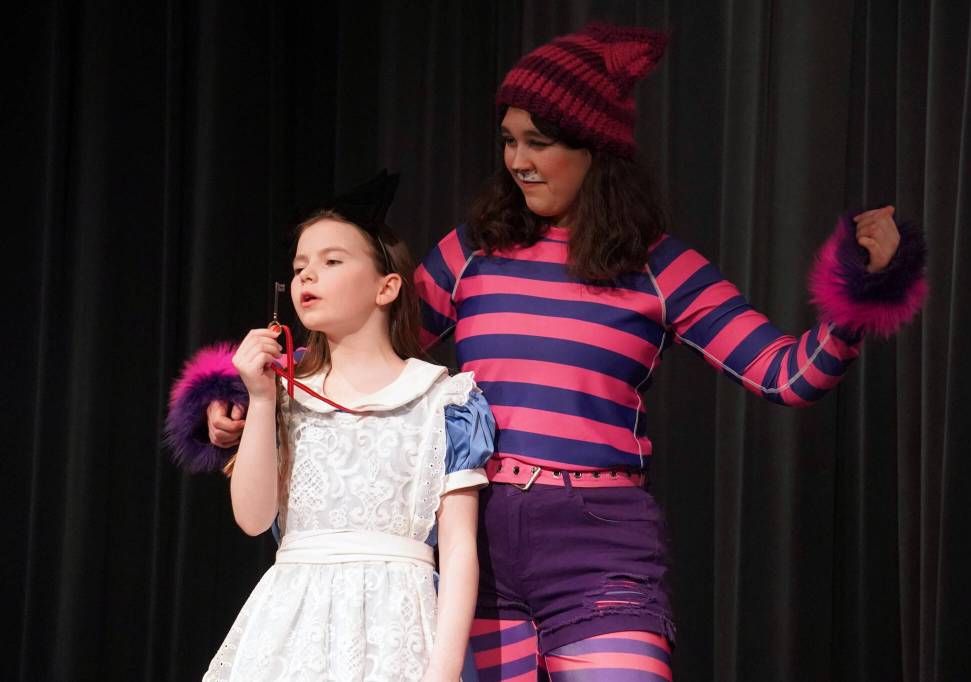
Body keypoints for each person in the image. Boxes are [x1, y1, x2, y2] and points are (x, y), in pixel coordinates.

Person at [177, 23, 926, 681]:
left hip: (596, 542)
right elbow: (364, 354)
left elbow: (786, 374)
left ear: (596, 149)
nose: (519, 161)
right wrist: (240, 404)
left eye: (540, 142)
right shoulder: (473, 251)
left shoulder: (661, 269)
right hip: (481, 540)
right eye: (509, 140)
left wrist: (865, 290)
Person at [167, 172, 495, 681]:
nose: (307, 277)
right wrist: (258, 397)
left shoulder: (444, 400)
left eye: (331, 261)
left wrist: (445, 671)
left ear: (386, 287)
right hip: (291, 626)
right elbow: (254, 519)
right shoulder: (282, 390)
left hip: (397, 629)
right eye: (300, 267)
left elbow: (458, 549)